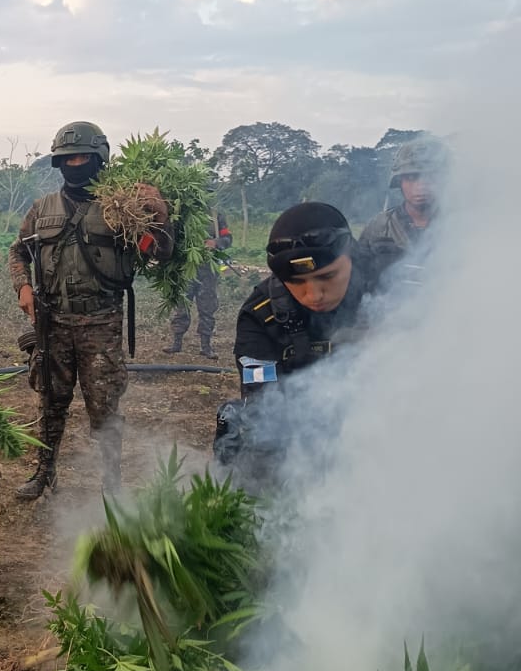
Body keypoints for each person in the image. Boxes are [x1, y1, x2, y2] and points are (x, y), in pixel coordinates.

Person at [8, 122, 172, 501]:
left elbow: (158, 252)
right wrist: (23, 286)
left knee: (104, 407)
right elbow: (18, 250)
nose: (75, 164)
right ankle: (44, 473)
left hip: (100, 323)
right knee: (50, 401)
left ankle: (112, 483)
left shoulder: (120, 210)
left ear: (99, 159)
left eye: (82, 157)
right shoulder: (42, 209)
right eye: (68, 159)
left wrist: (160, 216)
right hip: (52, 322)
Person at [214, 202, 382, 481]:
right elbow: (263, 405)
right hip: (294, 423)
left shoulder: (388, 288)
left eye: (327, 276)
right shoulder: (260, 315)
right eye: (297, 282)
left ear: (351, 256)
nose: (314, 295)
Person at [357, 134, 449, 279]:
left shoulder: (459, 226)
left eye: (430, 177)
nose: (421, 185)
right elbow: (357, 277)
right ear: (399, 182)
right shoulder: (380, 227)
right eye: (411, 178)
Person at [164, 211, 231, 359]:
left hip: (208, 271)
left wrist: (216, 243)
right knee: (182, 306)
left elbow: (228, 238)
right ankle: (176, 343)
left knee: (207, 307)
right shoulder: (184, 211)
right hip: (186, 268)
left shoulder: (216, 216)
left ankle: (206, 346)